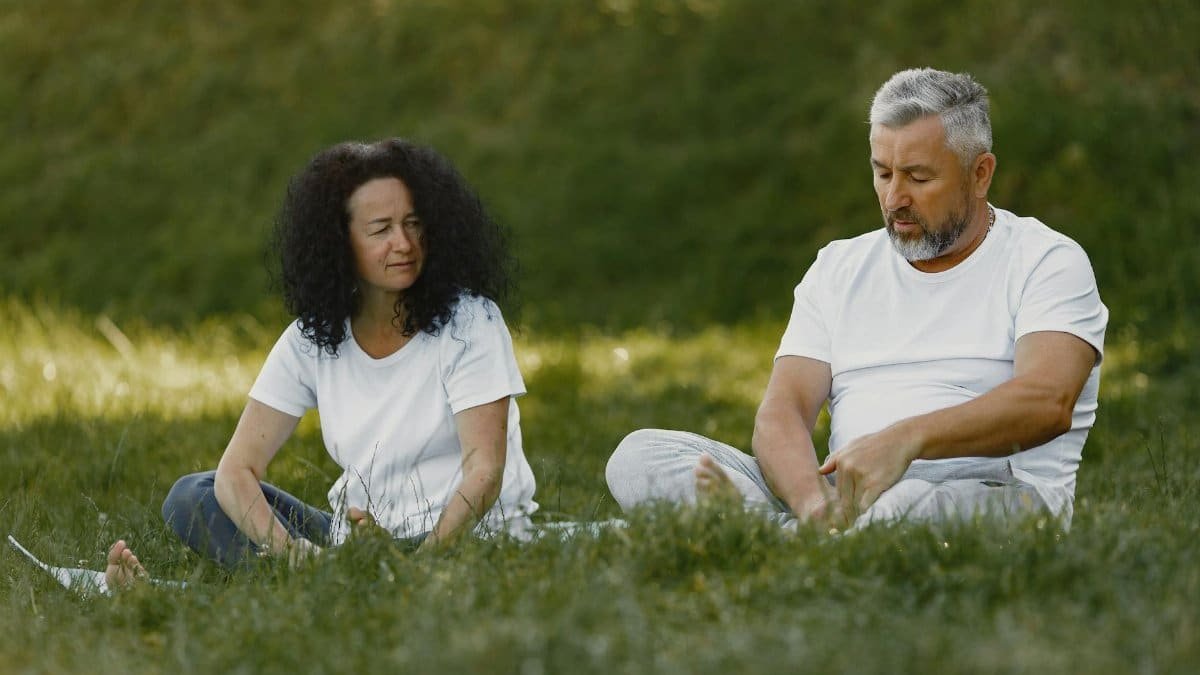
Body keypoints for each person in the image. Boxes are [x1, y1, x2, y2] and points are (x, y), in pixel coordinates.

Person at [605, 68, 1107, 531]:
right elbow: (783, 412)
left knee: (902, 507)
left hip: (994, 495)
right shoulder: (839, 267)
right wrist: (813, 505)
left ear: (980, 174)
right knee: (639, 456)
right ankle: (807, 535)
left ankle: (751, 534)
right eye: (883, 173)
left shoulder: (1047, 260)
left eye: (918, 176)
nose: (894, 199)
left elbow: (1047, 402)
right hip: (839, 498)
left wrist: (906, 441)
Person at [108, 139, 537, 585]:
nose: (404, 242)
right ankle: (321, 580)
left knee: (378, 568)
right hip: (354, 540)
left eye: (413, 223)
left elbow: (485, 471)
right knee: (192, 495)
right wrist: (294, 552)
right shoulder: (311, 339)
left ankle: (324, 587)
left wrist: (421, 567)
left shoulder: (471, 321)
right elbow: (237, 471)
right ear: (340, 243)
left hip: (460, 538)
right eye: (381, 229)